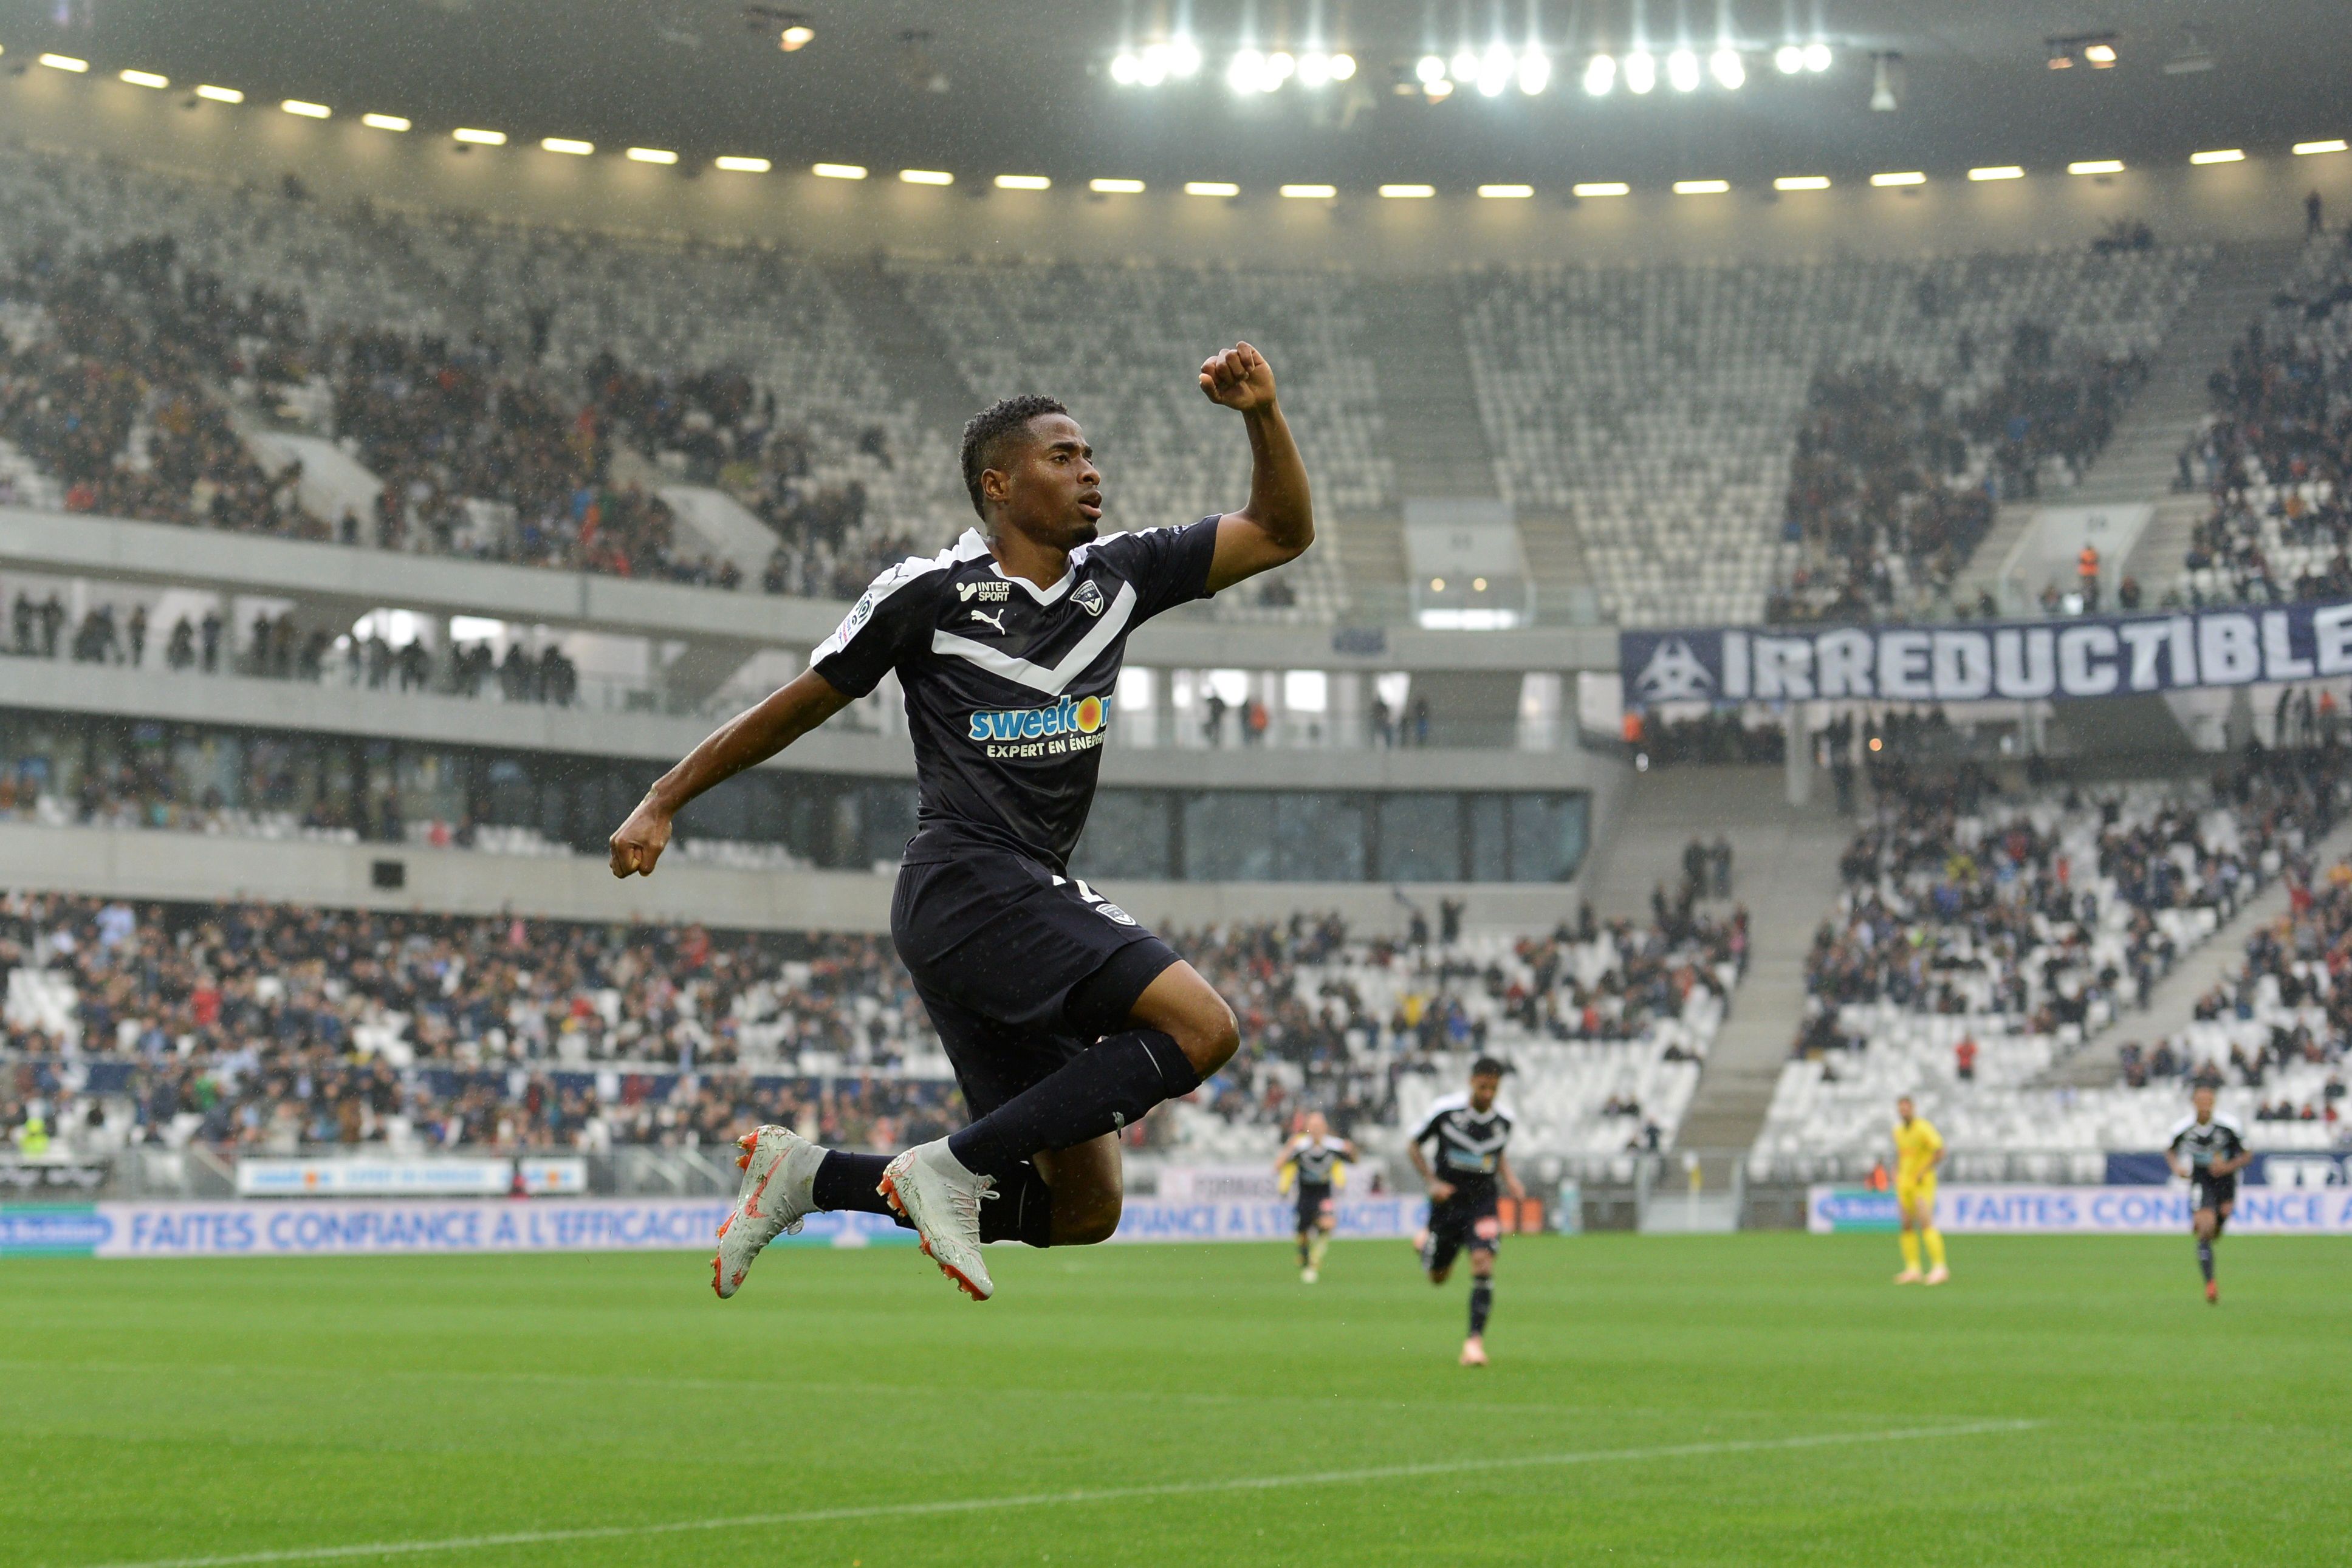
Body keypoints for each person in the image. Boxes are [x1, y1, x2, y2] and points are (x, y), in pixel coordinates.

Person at [608, 343, 1315, 1303]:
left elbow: (1278, 532)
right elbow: (797, 703)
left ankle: (813, 1178)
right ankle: (945, 1165)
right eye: (1062, 456)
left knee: (1082, 1210)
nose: (1089, 471)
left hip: (1012, 904)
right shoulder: (927, 594)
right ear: (998, 482)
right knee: (1204, 1027)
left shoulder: (1121, 578)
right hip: (967, 886)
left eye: (1089, 454)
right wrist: (664, 797)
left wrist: (1260, 415)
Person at [1407, 1056, 1524, 1366]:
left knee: (1483, 1262)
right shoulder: (1446, 1112)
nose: (1488, 1094)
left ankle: (1474, 1344)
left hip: (1483, 1202)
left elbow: (1495, 1154)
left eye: (1494, 1088)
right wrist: (1431, 1182)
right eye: (1483, 1087)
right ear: (1472, 1081)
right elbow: (1413, 1146)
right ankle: (1424, 1248)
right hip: (1448, 1203)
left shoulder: (1505, 1121)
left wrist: (1510, 1180)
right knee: (1438, 1277)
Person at [2165, 1084, 2251, 1304]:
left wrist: (2228, 1166)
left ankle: (2212, 1229)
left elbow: (2247, 1154)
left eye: (2208, 1100)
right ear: (2194, 1103)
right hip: (2201, 1177)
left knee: (2221, 1218)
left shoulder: (2228, 1126)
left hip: (2225, 1178)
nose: (2204, 1104)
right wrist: (2177, 1168)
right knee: (2205, 1227)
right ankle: (2210, 1283)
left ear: (2214, 1103)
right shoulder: (2183, 1128)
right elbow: (2170, 1150)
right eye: (2200, 1100)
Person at [1276, 1109, 1356, 1283]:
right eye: (1313, 1126)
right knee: (1303, 1234)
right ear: (1306, 1128)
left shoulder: (1334, 1146)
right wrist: (1288, 1149)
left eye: (1319, 1126)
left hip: (1324, 1193)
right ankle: (1305, 1257)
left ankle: (1314, 1257)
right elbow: (1278, 1166)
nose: (1316, 1129)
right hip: (1305, 1194)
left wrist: (1352, 1150)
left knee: (1328, 1224)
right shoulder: (1299, 1146)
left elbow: (1354, 1160)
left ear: (1325, 1127)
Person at [1891, 1095, 1949, 1286]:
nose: (1904, 1111)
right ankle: (1913, 1268)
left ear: (1913, 1109)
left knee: (1926, 1223)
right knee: (1906, 1224)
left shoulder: (1923, 1128)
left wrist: (1923, 1171)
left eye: (1907, 1108)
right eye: (1901, 1108)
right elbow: (1901, 1155)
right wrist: (1896, 1171)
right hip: (1905, 1183)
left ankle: (1940, 1267)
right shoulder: (1898, 1131)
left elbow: (1940, 1151)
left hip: (1922, 1183)